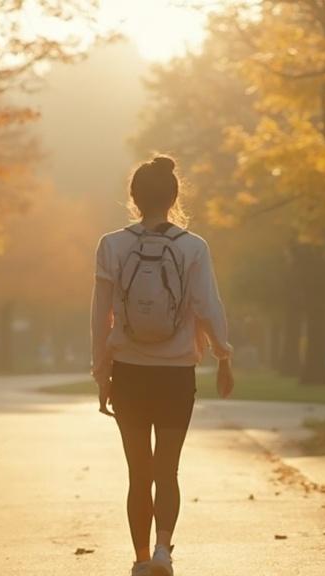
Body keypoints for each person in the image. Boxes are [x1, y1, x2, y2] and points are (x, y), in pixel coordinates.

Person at [91, 156, 234, 576]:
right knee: (167, 470)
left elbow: (100, 317)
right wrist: (223, 355)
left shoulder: (111, 245)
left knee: (138, 473)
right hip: (176, 374)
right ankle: (162, 552)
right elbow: (207, 306)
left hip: (129, 372)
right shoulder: (193, 247)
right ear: (173, 198)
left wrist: (102, 372)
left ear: (133, 198)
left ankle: (139, 559)